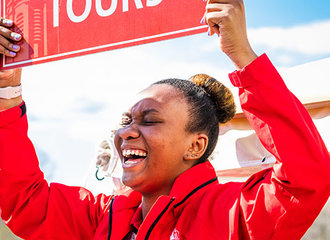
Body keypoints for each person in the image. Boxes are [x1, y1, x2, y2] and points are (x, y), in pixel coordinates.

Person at [0, 0, 329, 239]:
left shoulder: (236, 215)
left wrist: (242, 55)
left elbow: (307, 178)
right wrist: (6, 88)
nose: (127, 131)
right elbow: (24, 199)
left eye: (149, 120)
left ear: (195, 145)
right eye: (128, 119)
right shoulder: (104, 217)